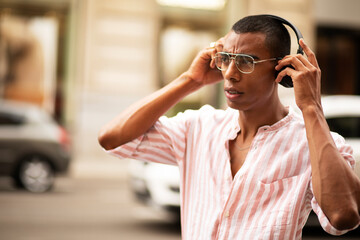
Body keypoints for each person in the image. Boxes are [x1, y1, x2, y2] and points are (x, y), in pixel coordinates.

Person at [98, 15, 360, 239]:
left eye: (246, 61)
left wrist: (312, 108)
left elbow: (342, 216)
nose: (230, 73)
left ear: (283, 69)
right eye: (225, 58)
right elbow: (113, 138)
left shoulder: (314, 142)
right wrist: (190, 80)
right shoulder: (198, 127)